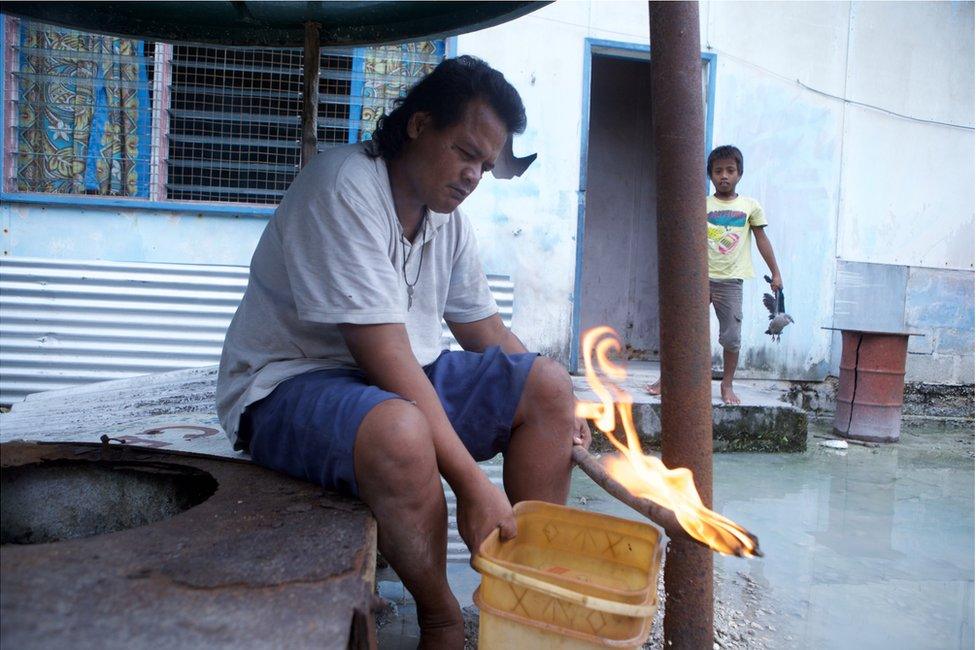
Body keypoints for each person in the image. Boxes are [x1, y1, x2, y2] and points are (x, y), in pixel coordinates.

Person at [215, 56, 590, 649]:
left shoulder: (447, 218)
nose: (473, 176)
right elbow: (383, 357)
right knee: (401, 431)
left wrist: (565, 411)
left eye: (485, 166)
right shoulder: (344, 186)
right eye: (465, 152)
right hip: (287, 384)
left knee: (546, 385)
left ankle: (526, 601)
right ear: (419, 125)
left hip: (396, 376)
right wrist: (472, 483)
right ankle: (441, 617)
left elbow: (484, 329)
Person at [645, 145, 783, 404]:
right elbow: (686, 240)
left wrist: (776, 273)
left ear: (740, 173)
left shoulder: (750, 206)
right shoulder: (702, 205)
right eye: (718, 171)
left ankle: (727, 385)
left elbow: (762, 239)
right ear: (710, 175)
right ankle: (666, 379)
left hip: (731, 282)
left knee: (731, 337)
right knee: (681, 331)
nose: (724, 176)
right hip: (698, 280)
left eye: (730, 170)